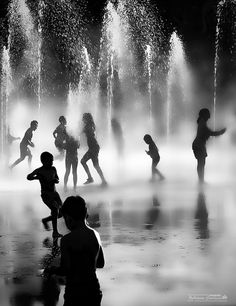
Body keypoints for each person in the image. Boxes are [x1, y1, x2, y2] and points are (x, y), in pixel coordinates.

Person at [45, 195, 105, 306]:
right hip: (94, 291)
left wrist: (52, 269)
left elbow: (65, 270)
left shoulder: (67, 240)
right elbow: (101, 263)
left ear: (68, 218)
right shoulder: (96, 235)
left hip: (75, 292)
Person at [27, 151, 63, 238]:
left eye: (52, 161)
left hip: (55, 193)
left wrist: (55, 180)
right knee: (55, 210)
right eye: (50, 161)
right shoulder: (39, 171)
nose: (51, 163)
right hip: (46, 194)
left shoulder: (53, 169)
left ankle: (45, 220)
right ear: (43, 161)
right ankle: (55, 232)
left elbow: (57, 179)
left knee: (61, 213)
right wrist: (37, 177)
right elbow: (28, 177)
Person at [192, 108, 226, 183]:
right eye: (208, 114)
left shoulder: (202, 122)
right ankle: (201, 181)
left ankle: (201, 180)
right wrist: (221, 132)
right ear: (204, 115)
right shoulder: (202, 124)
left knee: (201, 163)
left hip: (198, 145)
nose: (209, 117)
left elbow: (209, 133)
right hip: (199, 145)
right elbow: (211, 133)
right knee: (201, 163)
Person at [81, 113, 107, 186]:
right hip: (94, 147)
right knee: (95, 165)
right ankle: (103, 181)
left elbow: (83, 132)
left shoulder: (88, 126)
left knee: (84, 161)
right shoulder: (89, 125)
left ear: (87, 119)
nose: (82, 120)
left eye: (84, 118)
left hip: (93, 148)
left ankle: (91, 179)